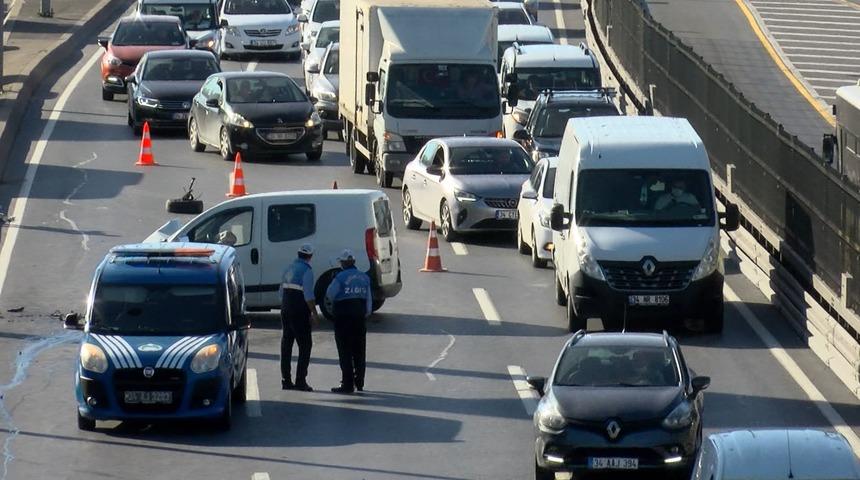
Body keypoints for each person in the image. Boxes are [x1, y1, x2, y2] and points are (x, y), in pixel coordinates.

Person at [325, 249, 372, 393]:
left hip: (343, 317)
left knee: (345, 350)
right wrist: (365, 314)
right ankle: (360, 382)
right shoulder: (364, 277)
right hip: (359, 316)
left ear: (343, 263)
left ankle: (347, 383)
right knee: (359, 350)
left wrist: (331, 311)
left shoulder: (339, 277)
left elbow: (329, 295)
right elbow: (369, 301)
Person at [280, 243, 321, 391]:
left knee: (286, 345)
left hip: (285, 309)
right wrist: (314, 314)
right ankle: (300, 380)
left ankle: (286, 380)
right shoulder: (307, 271)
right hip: (299, 312)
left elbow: (281, 291)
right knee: (305, 345)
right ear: (310, 257)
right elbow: (308, 295)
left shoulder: (288, 268)